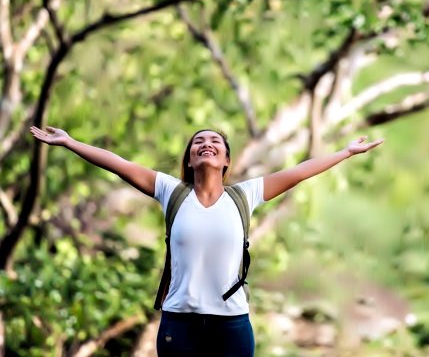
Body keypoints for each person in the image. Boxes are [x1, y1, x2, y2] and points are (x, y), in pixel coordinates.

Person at [30, 125, 383, 357]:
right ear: (190, 158)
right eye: (198, 141)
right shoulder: (171, 192)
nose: (206, 144)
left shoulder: (245, 195)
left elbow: (299, 171)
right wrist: (70, 142)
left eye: (215, 141)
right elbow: (119, 164)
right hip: (179, 322)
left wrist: (346, 153)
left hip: (230, 324)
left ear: (226, 160)